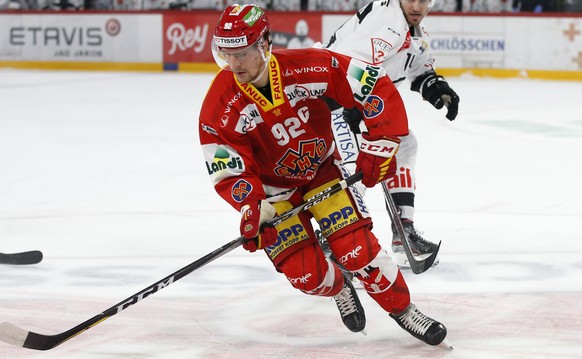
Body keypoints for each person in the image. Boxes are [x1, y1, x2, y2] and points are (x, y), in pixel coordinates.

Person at [199, 3, 449, 346]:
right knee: (307, 276)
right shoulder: (219, 106)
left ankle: (404, 310)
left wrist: (381, 141)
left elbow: (373, 86)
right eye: (227, 54)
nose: (235, 64)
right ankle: (340, 287)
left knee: (358, 252)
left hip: (321, 173)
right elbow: (228, 166)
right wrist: (252, 206)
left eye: (242, 52)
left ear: (263, 44)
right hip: (274, 194)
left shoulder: (307, 66)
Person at [325, 0, 460, 268]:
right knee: (354, 171)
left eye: (424, 0)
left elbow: (417, 67)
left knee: (404, 146)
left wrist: (435, 85)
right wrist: (352, 102)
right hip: (332, 101)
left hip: (358, 101)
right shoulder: (389, 22)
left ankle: (404, 232)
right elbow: (346, 61)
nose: (417, 6)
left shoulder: (414, 32)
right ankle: (335, 246)